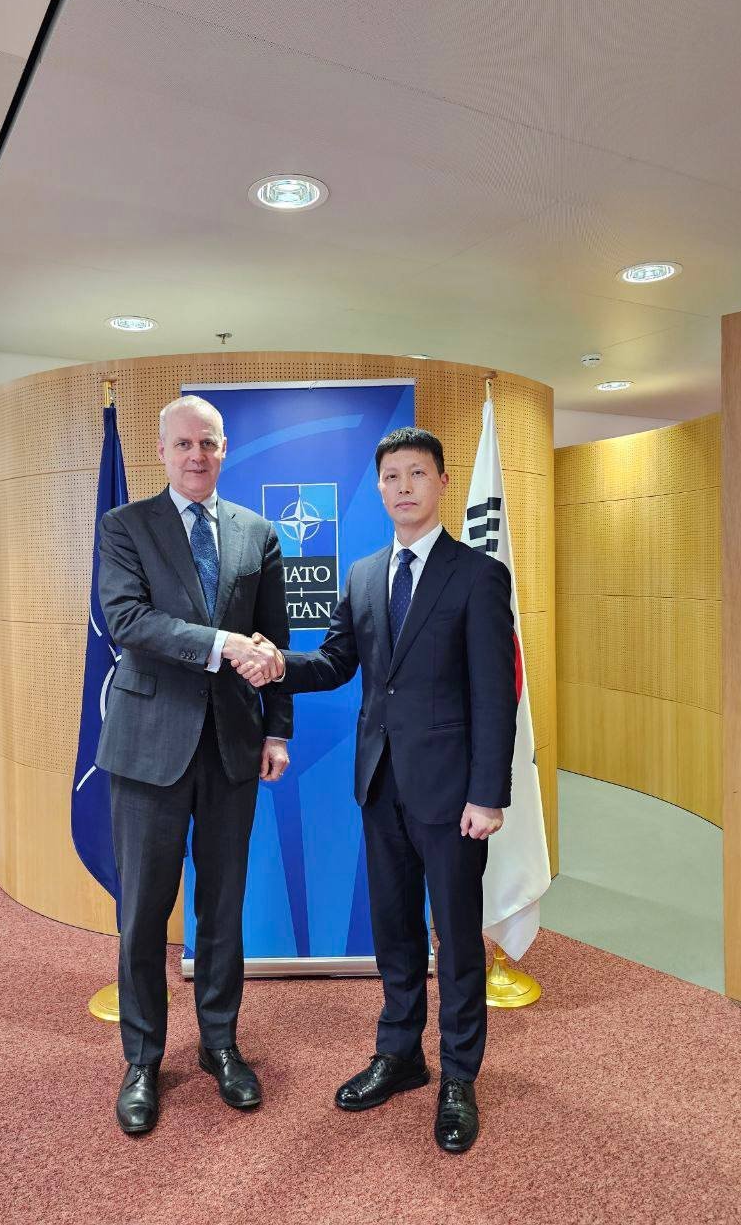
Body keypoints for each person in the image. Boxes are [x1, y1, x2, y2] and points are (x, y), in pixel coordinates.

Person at [232, 426, 516, 1154]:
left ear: (442, 482)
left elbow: (495, 695)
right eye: (391, 477)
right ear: (380, 488)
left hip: (454, 794)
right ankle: (400, 1054)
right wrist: (277, 663)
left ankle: (459, 1076)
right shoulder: (363, 575)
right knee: (394, 931)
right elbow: (335, 663)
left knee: (456, 938)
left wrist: (488, 794)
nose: (402, 488)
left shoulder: (478, 575)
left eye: (416, 474)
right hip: (380, 783)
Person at [96, 394, 291, 1136]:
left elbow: (272, 643)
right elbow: (127, 620)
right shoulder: (125, 526)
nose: (196, 456)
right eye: (182, 444)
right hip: (148, 747)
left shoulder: (257, 533)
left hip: (234, 746)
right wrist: (219, 645)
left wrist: (278, 732)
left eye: (207, 443)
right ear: (161, 451)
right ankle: (143, 1058)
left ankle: (219, 1044)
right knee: (143, 912)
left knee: (223, 908)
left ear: (224, 447)